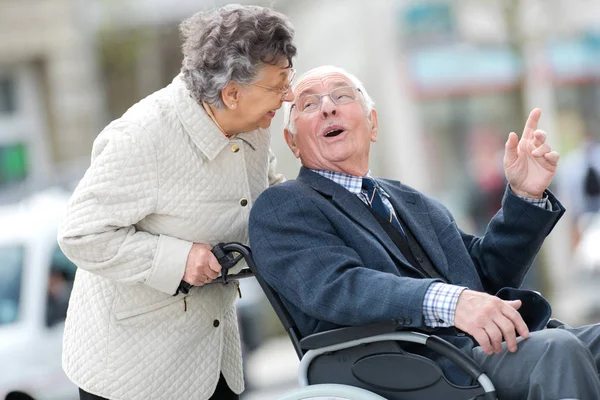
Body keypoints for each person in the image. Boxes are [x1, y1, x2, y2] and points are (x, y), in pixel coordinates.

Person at [248, 66, 600, 399]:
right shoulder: (283, 206)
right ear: (292, 143)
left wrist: (525, 196)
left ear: (372, 124)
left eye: (342, 96)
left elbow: (485, 274)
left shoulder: (407, 199)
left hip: (478, 349)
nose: (327, 108)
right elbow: (341, 287)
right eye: (308, 104)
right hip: (410, 366)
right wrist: (453, 303)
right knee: (558, 349)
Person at [57, 5, 296, 400]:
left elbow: (265, 197)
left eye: (289, 80)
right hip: (132, 373)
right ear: (232, 93)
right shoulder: (142, 137)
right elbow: (80, 234)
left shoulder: (254, 125)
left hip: (213, 358)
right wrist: (178, 259)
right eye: (277, 85)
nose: (287, 96)